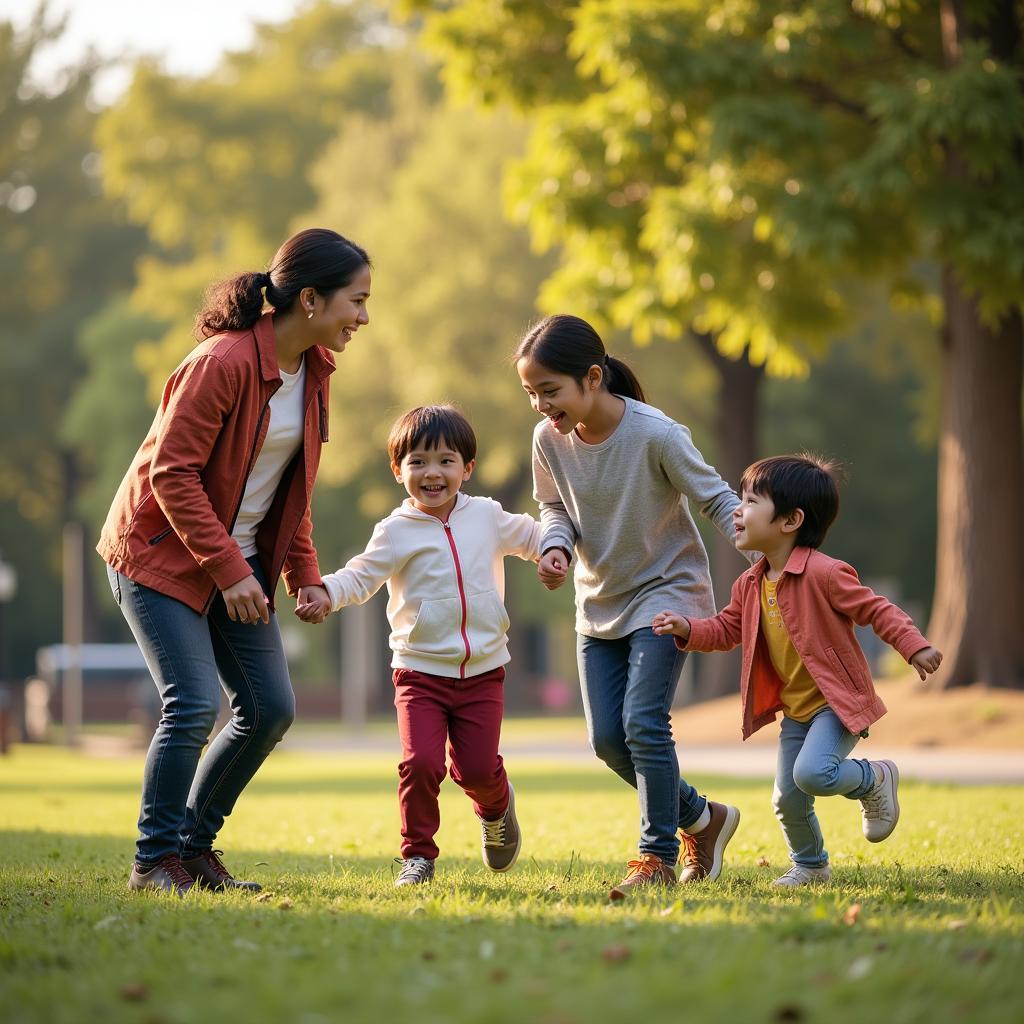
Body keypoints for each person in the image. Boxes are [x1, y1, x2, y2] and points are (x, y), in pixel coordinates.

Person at [98, 228, 371, 895]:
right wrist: (231, 571)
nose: (363, 317)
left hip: (237, 563)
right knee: (191, 704)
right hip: (157, 554)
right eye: (356, 301)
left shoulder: (315, 373)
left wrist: (303, 577)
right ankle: (152, 861)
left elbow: (293, 489)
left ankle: (191, 850)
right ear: (310, 299)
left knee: (270, 707)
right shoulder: (220, 363)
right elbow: (172, 474)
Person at [515, 314, 745, 899]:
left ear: (592, 378)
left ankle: (656, 856)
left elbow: (716, 498)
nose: (541, 406)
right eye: (531, 394)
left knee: (644, 722)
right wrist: (556, 547)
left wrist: (760, 553)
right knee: (607, 740)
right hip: (598, 599)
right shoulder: (547, 441)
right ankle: (703, 818)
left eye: (550, 391)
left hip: (668, 590)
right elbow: (554, 509)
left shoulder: (656, 434)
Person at [652, 454, 943, 887]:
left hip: (836, 704)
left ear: (790, 521)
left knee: (812, 774)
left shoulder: (825, 573)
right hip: (796, 710)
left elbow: (876, 609)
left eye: (751, 501)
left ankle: (876, 777)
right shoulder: (750, 584)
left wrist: (913, 645)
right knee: (788, 798)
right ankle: (810, 865)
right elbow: (728, 629)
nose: (737, 508)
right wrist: (688, 628)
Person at [296, 405, 541, 886]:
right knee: (421, 763)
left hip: (483, 671)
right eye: (418, 462)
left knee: (476, 768)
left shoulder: (488, 516)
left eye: (447, 461)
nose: (433, 473)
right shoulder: (395, 531)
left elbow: (535, 535)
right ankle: (418, 857)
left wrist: (556, 551)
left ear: (467, 469)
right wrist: (326, 592)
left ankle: (496, 809)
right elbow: (361, 576)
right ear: (398, 470)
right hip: (419, 671)